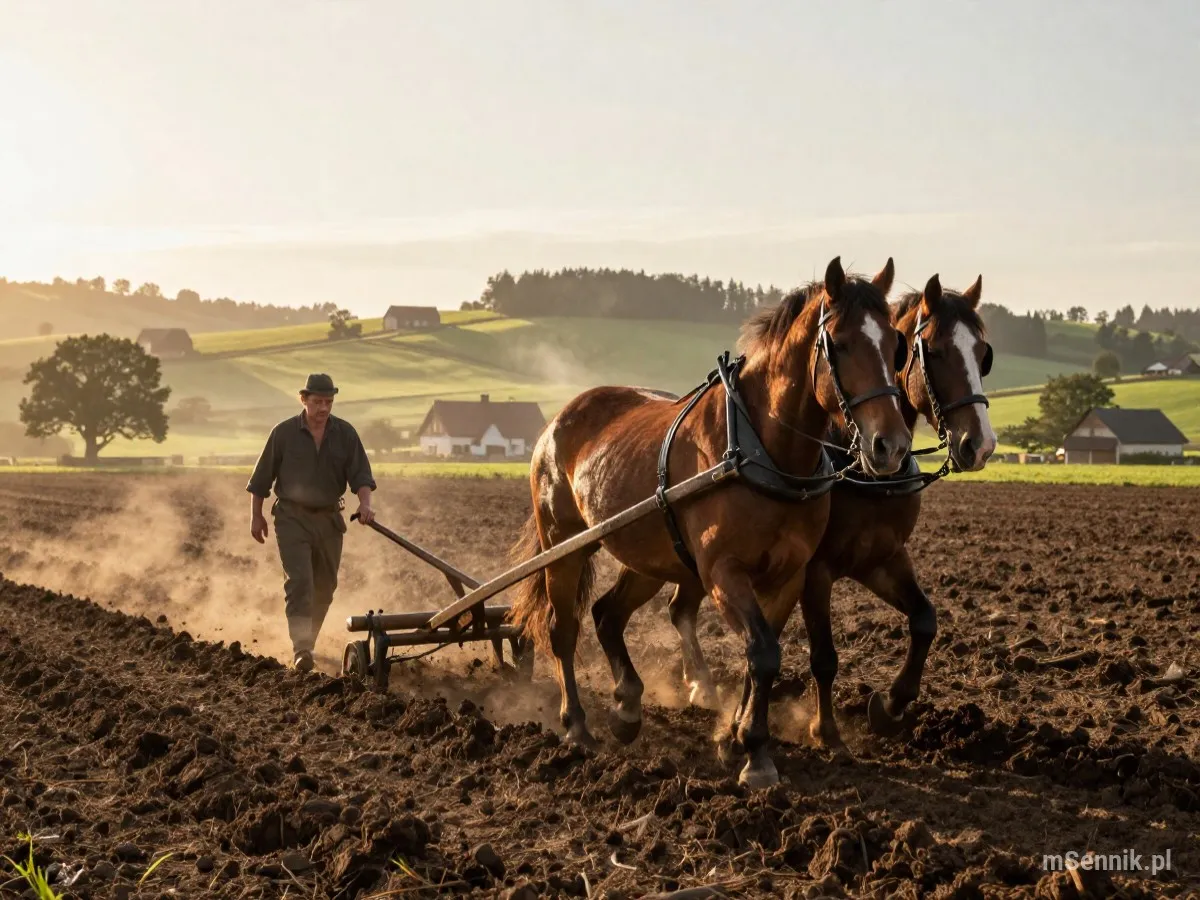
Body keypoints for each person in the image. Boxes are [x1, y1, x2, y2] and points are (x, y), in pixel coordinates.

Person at [246, 373, 377, 671]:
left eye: (328, 402)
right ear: (303, 400)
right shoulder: (283, 433)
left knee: (325, 586)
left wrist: (366, 504)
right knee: (300, 582)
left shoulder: (345, 434)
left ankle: (308, 642)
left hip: (330, 519)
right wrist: (256, 515)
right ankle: (302, 649)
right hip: (292, 518)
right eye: (317, 401)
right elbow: (261, 479)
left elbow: (361, 476)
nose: (323, 408)